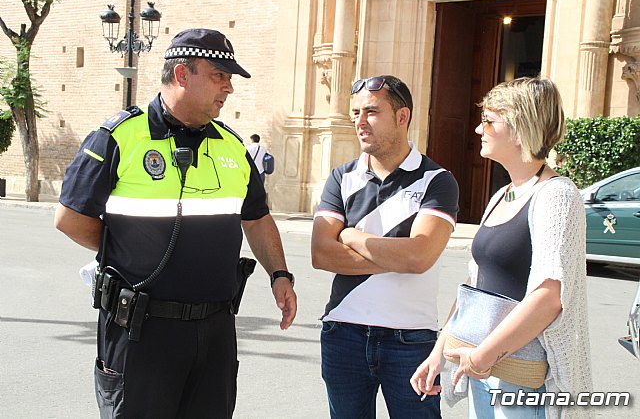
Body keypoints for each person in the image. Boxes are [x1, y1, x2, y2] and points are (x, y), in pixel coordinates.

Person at [54, 28, 297, 419]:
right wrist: (126, 245)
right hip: (141, 331)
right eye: (219, 76)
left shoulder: (232, 146)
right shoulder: (119, 137)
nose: (229, 87)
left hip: (215, 331)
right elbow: (70, 218)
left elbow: (256, 217)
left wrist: (279, 274)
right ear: (182, 74)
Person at [410, 77, 593, 419]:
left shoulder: (557, 195)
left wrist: (483, 356)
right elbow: (475, 286)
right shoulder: (502, 195)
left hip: (522, 378)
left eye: (490, 121)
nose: (479, 129)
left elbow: (549, 298)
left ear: (520, 129)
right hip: (481, 366)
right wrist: (440, 350)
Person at [311, 75, 459, 418]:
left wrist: (350, 236)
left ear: (402, 116)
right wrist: (401, 256)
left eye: (372, 112)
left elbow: (419, 257)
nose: (360, 122)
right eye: (356, 113)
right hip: (343, 332)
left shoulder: (437, 180)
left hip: (411, 339)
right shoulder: (341, 177)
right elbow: (321, 254)